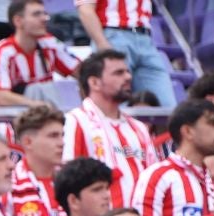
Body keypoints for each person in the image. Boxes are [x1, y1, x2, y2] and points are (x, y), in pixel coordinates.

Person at [63, 50, 158, 205]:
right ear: (94, 82)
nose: (128, 77)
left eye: (127, 72)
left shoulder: (139, 128)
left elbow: (153, 179)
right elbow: (67, 178)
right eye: (118, 73)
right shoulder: (75, 121)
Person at [0, 0, 78, 92]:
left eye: (44, 14)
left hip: (48, 103)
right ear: (18, 21)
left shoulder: (50, 42)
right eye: (36, 14)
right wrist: (36, 105)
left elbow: (80, 73)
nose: (44, 19)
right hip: (19, 106)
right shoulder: (1, 52)